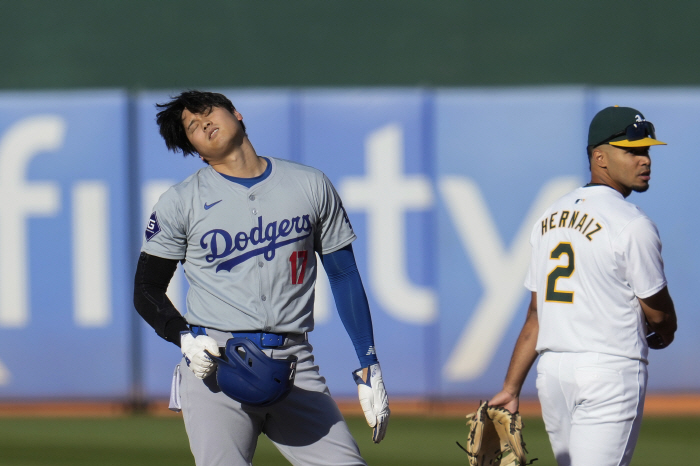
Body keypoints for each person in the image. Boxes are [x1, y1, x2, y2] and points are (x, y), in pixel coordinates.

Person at [133, 90, 389, 466]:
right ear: (197, 151)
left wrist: (370, 363)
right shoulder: (180, 201)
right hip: (216, 365)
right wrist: (183, 337)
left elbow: (344, 273)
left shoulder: (310, 184)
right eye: (191, 126)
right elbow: (146, 288)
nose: (202, 122)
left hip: (294, 360)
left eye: (207, 112)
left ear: (237, 114)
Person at [488, 106, 677, 466]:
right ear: (600, 157)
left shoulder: (548, 217)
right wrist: (667, 328)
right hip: (609, 372)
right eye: (633, 150)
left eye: (646, 150)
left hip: (553, 375)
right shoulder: (631, 224)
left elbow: (536, 312)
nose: (644, 159)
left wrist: (511, 388)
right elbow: (657, 312)